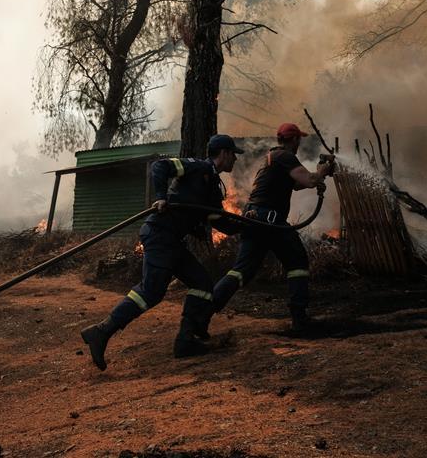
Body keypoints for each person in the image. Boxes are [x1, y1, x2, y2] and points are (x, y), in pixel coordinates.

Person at [80, 134, 245, 371]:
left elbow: (220, 222)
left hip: (172, 241)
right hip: (159, 234)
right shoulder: (196, 167)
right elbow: (160, 166)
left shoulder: (212, 188)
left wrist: (246, 225)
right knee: (152, 291)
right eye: (234, 155)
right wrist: (160, 197)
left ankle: (185, 342)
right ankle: (101, 332)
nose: (235, 161)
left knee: (201, 283)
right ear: (225, 153)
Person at [209, 123, 334, 334]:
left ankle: (204, 310)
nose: (299, 144)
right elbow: (310, 180)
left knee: (242, 271)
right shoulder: (285, 156)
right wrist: (320, 173)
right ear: (294, 140)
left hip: (256, 218)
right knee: (297, 261)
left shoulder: (273, 157)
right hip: (270, 220)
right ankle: (300, 319)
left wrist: (316, 177)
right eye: (298, 140)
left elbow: (296, 184)